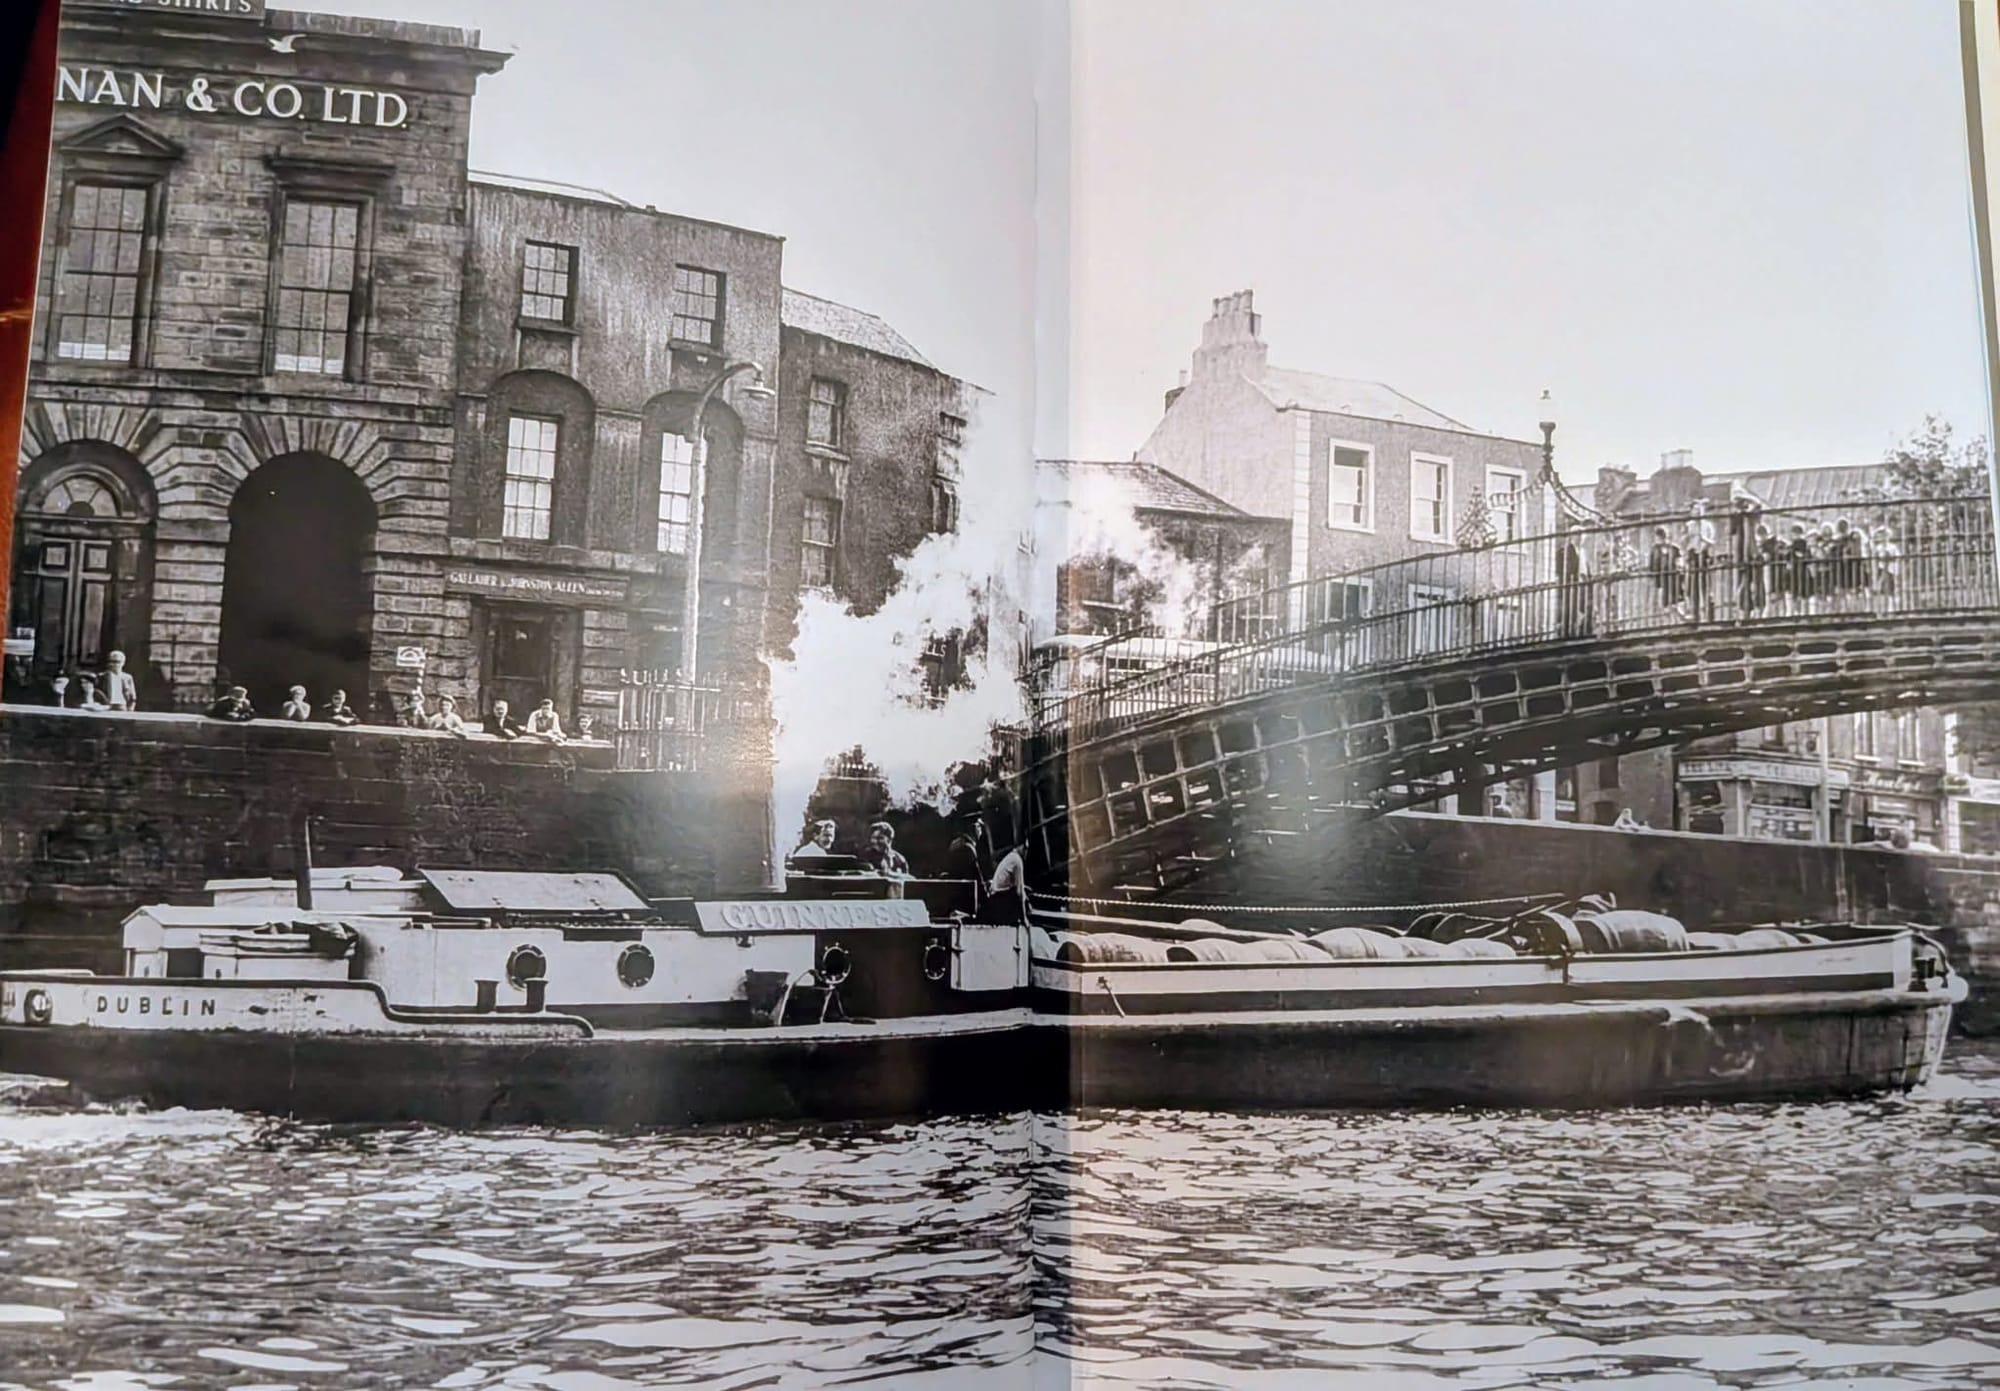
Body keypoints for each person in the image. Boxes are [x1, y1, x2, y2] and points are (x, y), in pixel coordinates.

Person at [984, 842, 1027, 926]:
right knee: (1018, 896)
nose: (1027, 853)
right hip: (1001, 904)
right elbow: (1020, 892)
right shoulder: (1017, 860)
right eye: (1026, 849)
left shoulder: (1010, 857)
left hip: (993, 901)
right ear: (1022, 847)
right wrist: (1024, 918)